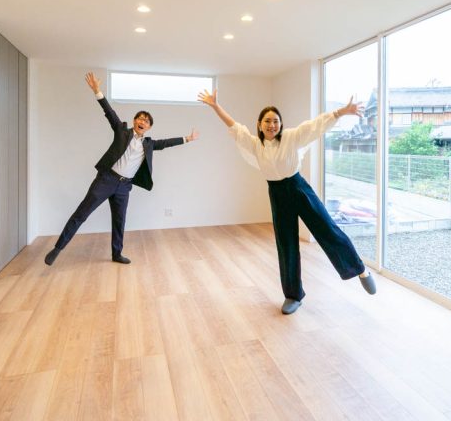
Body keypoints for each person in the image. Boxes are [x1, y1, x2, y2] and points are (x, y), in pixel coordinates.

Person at [198, 89, 375, 314]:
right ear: (259, 124)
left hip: (298, 188)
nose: (272, 125)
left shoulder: (291, 137)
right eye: (267, 121)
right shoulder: (254, 144)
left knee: (327, 229)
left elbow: (315, 126)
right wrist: (215, 106)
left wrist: (342, 111)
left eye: (276, 121)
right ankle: (293, 296)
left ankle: (359, 268)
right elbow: (234, 126)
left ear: (281, 124)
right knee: (286, 245)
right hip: (277, 193)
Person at [44, 72, 199, 266]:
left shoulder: (149, 144)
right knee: (82, 213)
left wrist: (187, 138)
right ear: (134, 121)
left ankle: (117, 254)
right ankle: (57, 248)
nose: (142, 122)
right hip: (106, 180)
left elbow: (167, 143)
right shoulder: (121, 131)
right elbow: (109, 113)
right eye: (139, 118)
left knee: (119, 221)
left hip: (124, 187)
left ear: (149, 127)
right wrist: (97, 91)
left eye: (146, 121)